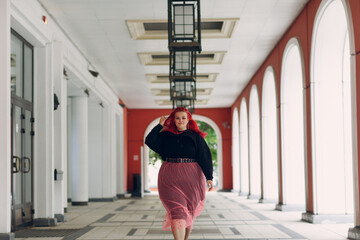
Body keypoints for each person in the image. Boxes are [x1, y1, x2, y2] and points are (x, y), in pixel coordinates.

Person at [145, 107, 213, 240]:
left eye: (183, 118)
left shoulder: (196, 137)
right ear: (173, 120)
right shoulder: (165, 136)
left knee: (189, 212)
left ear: (188, 120)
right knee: (177, 212)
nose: (180, 121)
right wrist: (159, 125)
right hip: (170, 178)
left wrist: (209, 177)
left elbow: (205, 156)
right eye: (177, 118)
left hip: (192, 179)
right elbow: (149, 141)